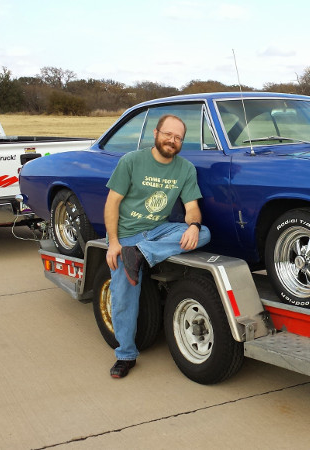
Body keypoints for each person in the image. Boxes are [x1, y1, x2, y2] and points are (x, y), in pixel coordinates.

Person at [104, 114, 210, 378]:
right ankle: (125, 356)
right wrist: (114, 243)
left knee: (204, 232)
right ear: (156, 133)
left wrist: (194, 226)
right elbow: (112, 203)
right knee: (124, 296)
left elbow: (192, 208)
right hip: (126, 234)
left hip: (156, 233)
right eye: (168, 134)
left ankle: (140, 255)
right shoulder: (131, 161)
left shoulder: (185, 169)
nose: (172, 141)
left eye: (178, 138)